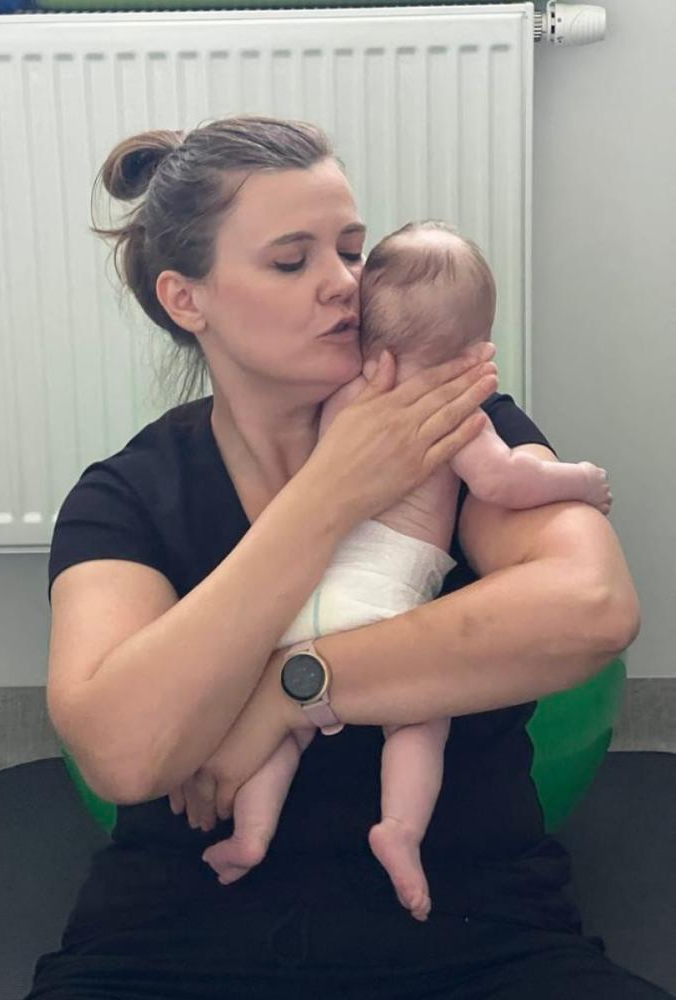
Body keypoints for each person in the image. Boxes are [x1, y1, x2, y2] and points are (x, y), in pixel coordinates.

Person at [24, 115, 670, 1000]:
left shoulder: (447, 418)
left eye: (353, 251)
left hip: (472, 929)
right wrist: (329, 494)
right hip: (180, 933)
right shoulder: (129, 495)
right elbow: (123, 754)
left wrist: (289, 689)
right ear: (186, 299)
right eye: (292, 261)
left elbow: (593, 608)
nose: (345, 284)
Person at [198, 219, 613, 924]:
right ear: (476, 348)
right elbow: (502, 482)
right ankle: (399, 830)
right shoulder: (449, 413)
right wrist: (580, 479)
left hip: (307, 599)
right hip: (385, 601)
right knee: (419, 721)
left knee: (285, 735)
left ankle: (252, 834)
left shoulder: (342, 400)